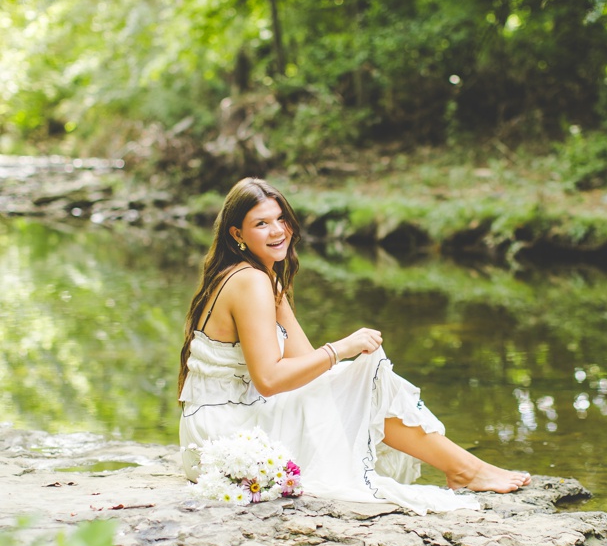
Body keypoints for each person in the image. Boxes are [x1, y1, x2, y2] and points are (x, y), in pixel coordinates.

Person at [178, 177, 530, 514]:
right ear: (237, 234)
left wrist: (344, 363)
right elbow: (270, 378)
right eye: (262, 224)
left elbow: (306, 365)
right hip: (227, 437)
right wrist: (342, 348)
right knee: (364, 379)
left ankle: (464, 468)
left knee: (362, 379)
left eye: (281, 218)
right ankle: (465, 469)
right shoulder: (249, 281)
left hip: (222, 425)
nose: (277, 231)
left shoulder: (260, 278)